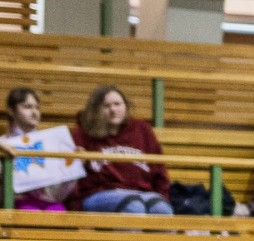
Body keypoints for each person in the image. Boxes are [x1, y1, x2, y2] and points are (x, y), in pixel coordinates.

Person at [70, 85, 172, 214]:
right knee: (134, 206)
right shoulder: (83, 132)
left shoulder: (142, 130)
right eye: (106, 106)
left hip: (142, 193)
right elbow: (73, 178)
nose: (113, 109)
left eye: (117, 104)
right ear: (96, 110)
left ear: (126, 106)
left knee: (162, 208)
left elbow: (159, 170)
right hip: (99, 193)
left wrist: (163, 196)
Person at [5, 86, 75, 211]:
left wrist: (73, 164)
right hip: (17, 201)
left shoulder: (52, 143)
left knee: (58, 212)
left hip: (49, 200)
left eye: (37, 107)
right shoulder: (4, 142)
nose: (34, 112)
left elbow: (60, 191)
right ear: (11, 111)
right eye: (27, 107)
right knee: (30, 211)